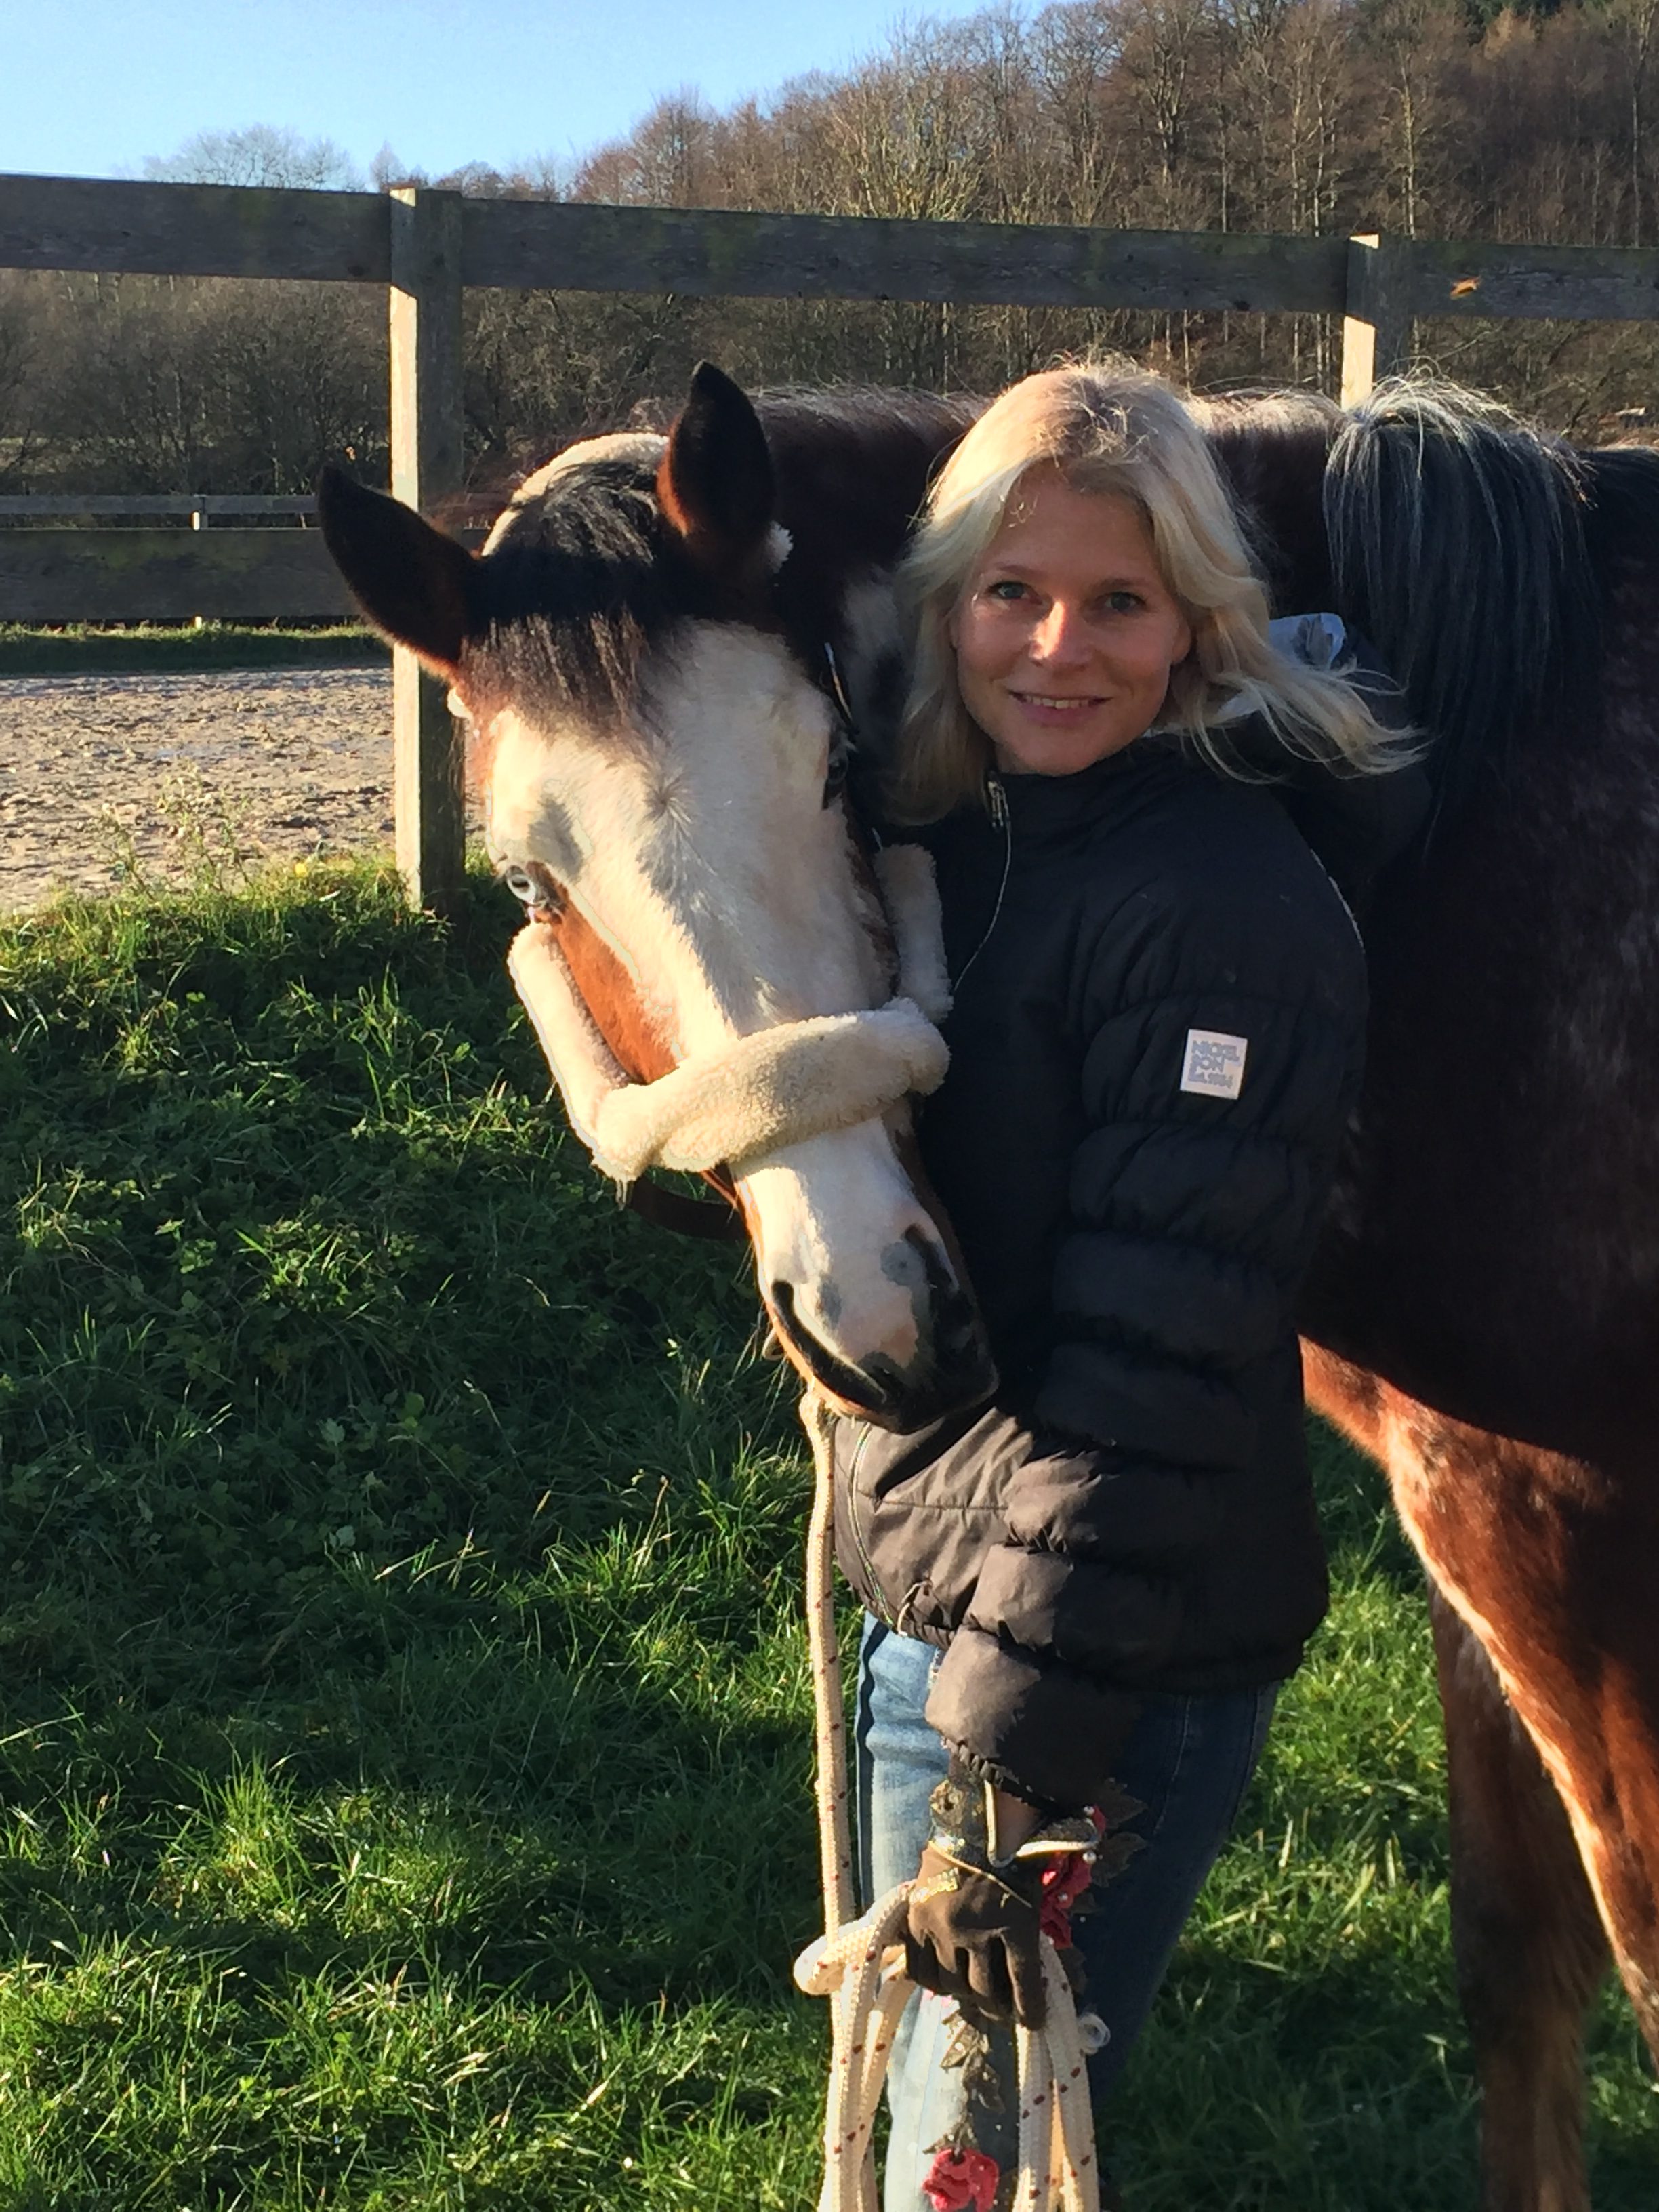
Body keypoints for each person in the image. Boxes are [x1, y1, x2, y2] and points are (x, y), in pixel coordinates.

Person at [836, 360, 1411, 2210]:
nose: (1055, 646)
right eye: (1012, 592)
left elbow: (1154, 1367)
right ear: (949, 606)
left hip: (1101, 1665)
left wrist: (1010, 1765)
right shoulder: (980, 852)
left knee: (972, 2164)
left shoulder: (1222, 908)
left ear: (1197, 629)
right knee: (906, 2098)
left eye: (1119, 602)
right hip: (938, 1598)